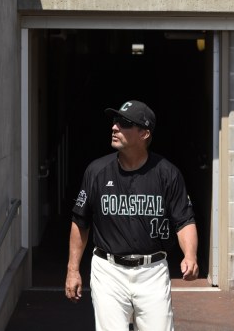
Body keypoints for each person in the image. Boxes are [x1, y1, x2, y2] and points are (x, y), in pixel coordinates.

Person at [65, 100, 199, 331]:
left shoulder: (167, 173)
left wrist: (190, 255)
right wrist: (72, 270)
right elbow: (80, 221)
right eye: (115, 121)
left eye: (125, 123)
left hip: (153, 271)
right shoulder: (96, 171)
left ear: (144, 133)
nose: (115, 127)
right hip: (108, 270)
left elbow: (184, 220)